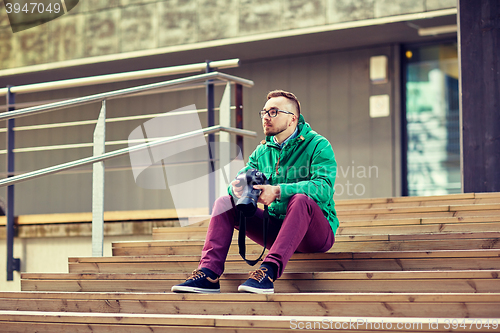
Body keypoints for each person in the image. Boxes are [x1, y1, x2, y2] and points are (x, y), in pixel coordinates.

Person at [171, 90, 339, 294]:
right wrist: (237, 188)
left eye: (274, 112)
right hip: (276, 229)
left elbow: (323, 188)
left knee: (300, 200)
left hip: (315, 234)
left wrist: (277, 191)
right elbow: (237, 183)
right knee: (224, 202)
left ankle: (267, 272)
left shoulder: (318, 145)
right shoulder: (262, 151)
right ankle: (209, 274)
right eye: (264, 112)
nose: (266, 117)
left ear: (292, 118)